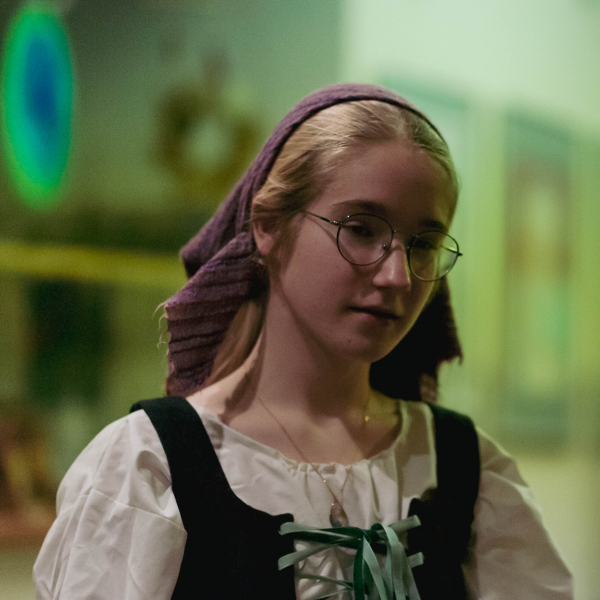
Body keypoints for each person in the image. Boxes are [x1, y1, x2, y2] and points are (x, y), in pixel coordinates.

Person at [33, 84, 573, 600]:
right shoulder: (154, 466)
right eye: (361, 229)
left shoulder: (462, 470)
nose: (398, 276)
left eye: (424, 244)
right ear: (269, 225)